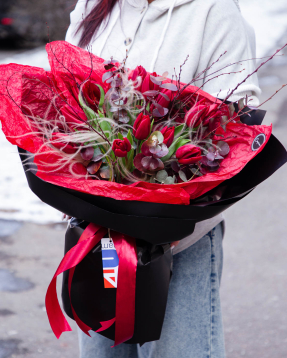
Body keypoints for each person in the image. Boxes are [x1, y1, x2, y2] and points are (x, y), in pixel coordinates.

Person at [65, 0, 260, 356]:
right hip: (101, 239)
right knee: (103, 346)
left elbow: (236, 133)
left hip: (179, 243)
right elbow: (66, 98)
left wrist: (166, 226)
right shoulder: (95, 6)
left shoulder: (212, 12)